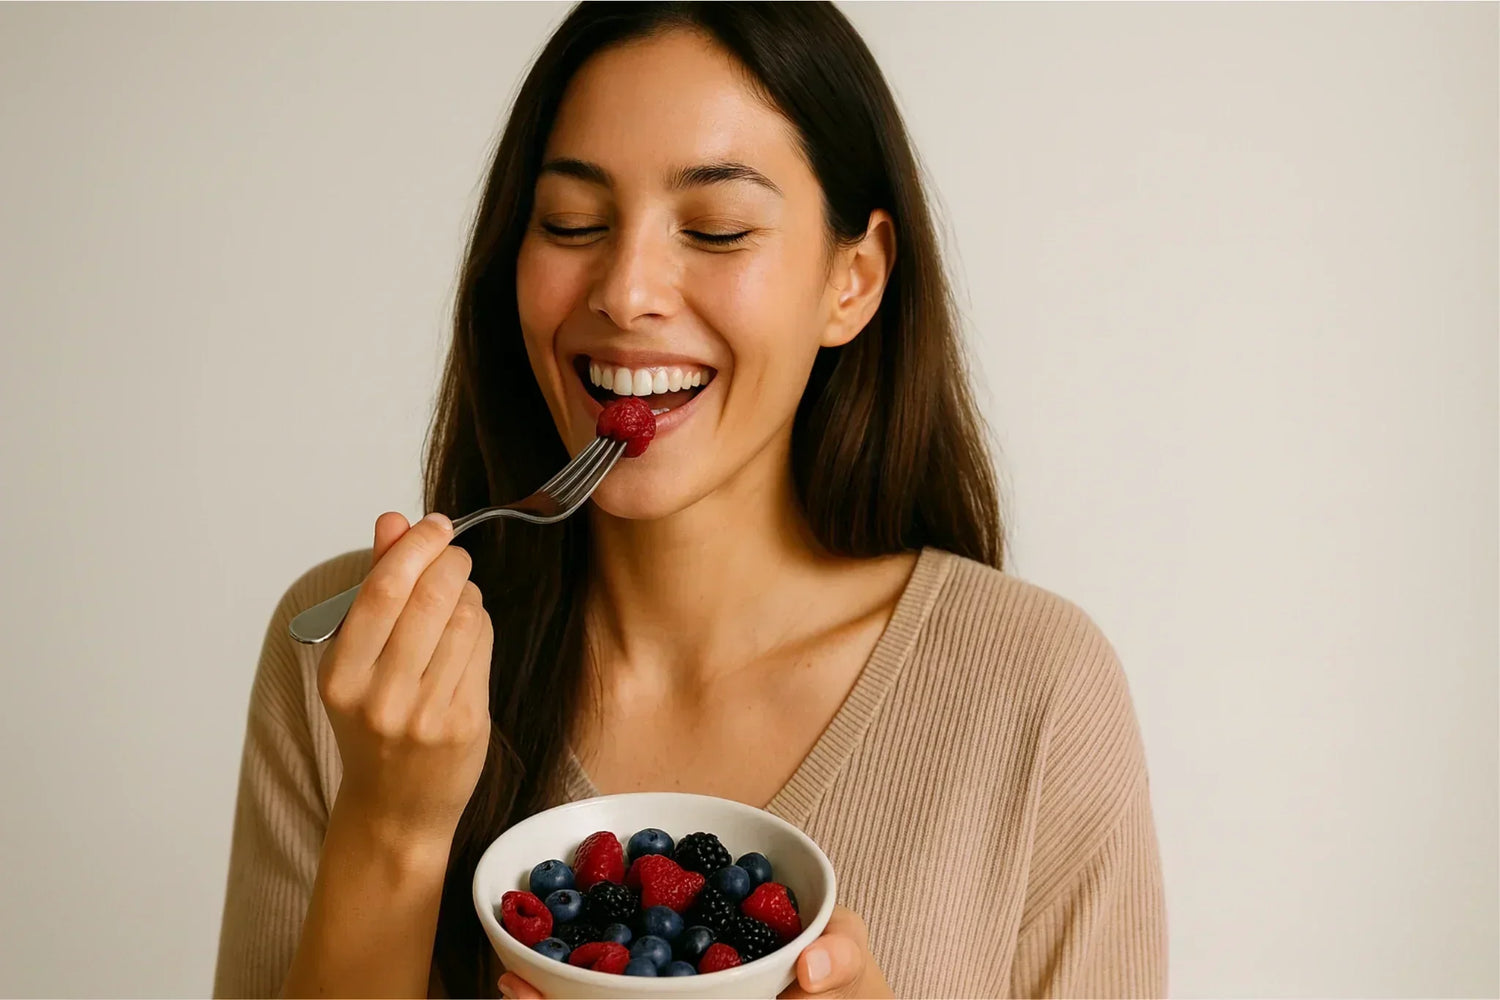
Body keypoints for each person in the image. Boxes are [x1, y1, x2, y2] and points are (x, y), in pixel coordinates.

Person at [213, 3, 1167, 997]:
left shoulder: (1038, 693)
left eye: (715, 229)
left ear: (854, 277)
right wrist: (393, 831)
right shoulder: (357, 667)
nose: (626, 292)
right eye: (571, 223)